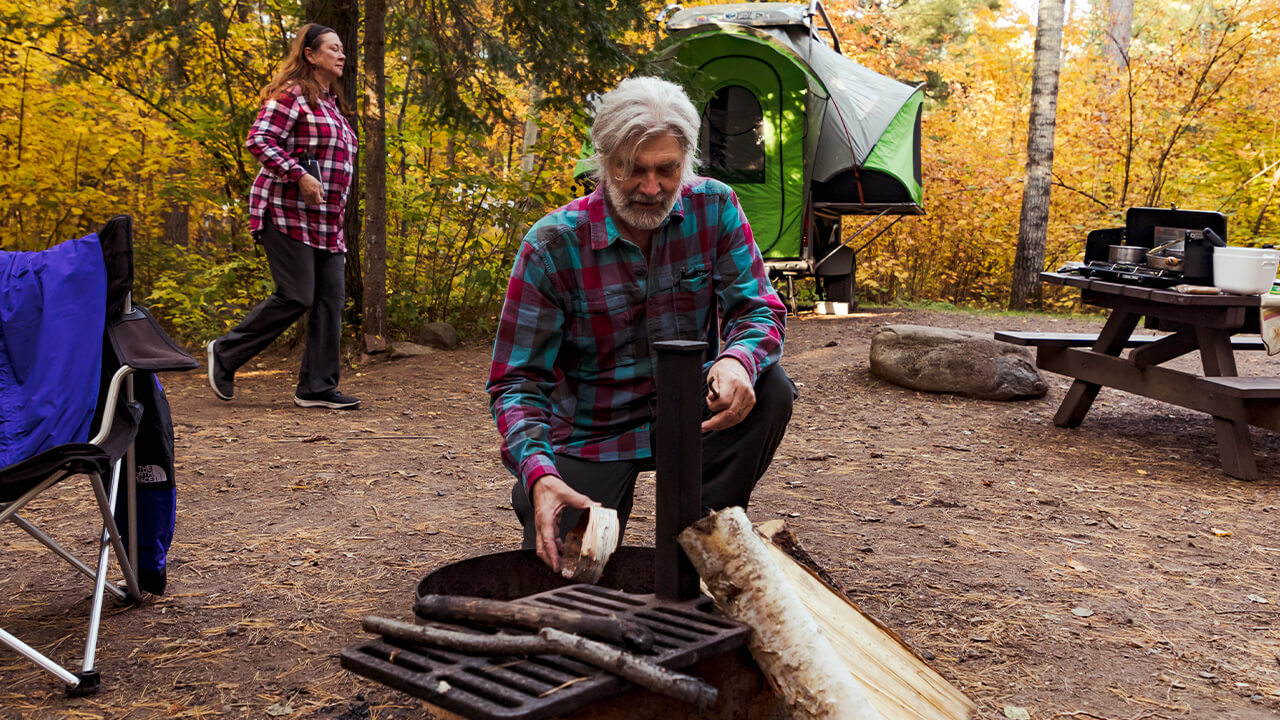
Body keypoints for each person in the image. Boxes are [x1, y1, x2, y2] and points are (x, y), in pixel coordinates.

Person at [487, 76, 796, 572]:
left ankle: (704, 531)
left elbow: (757, 308)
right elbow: (517, 383)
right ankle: (558, 503)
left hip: (691, 411)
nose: (651, 188)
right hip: (590, 429)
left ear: (687, 161)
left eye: (667, 169)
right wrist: (537, 472)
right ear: (605, 160)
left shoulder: (714, 207)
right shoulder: (550, 246)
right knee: (570, 572)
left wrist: (737, 359)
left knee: (771, 386)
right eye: (632, 169)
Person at [206, 23, 360, 410]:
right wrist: (299, 174)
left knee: (330, 300)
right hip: (286, 211)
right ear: (310, 54)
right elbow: (259, 139)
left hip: (327, 222)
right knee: (297, 294)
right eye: (333, 49)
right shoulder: (293, 95)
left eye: (343, 49)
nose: (341, 55)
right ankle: (225, 352)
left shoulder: (333, 105)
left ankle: (317, 387)